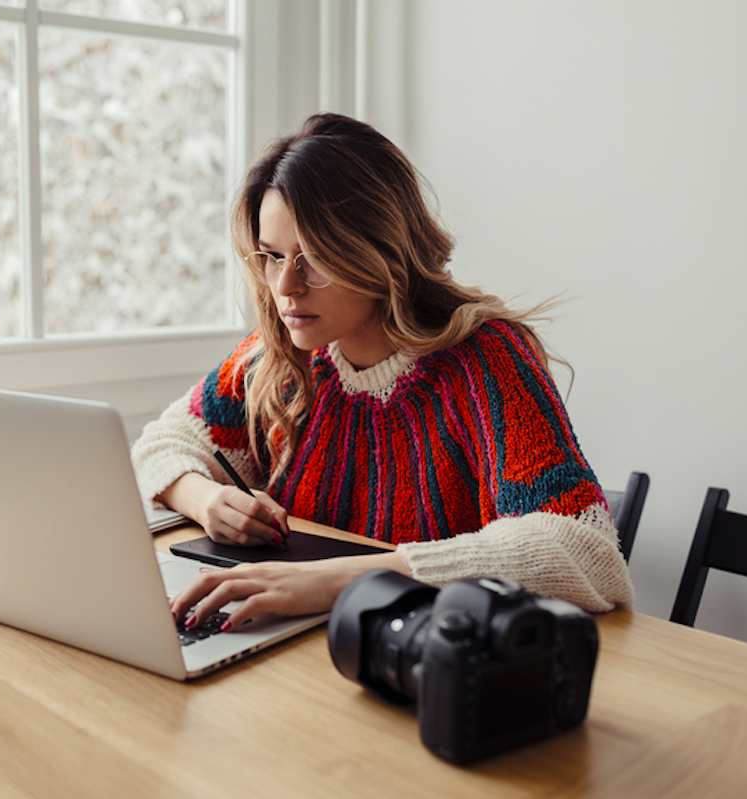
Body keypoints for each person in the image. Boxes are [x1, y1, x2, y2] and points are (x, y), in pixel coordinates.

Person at [131, 113, 633, 634]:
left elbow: (586, 548)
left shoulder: (485, 359)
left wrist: (340, 580)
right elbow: (159, 445)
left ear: (381, 250)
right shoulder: (283, 356)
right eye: (272, 256)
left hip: (429, 659)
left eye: (314, 259)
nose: (286, 287)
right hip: (308, 642)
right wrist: (207, 499)